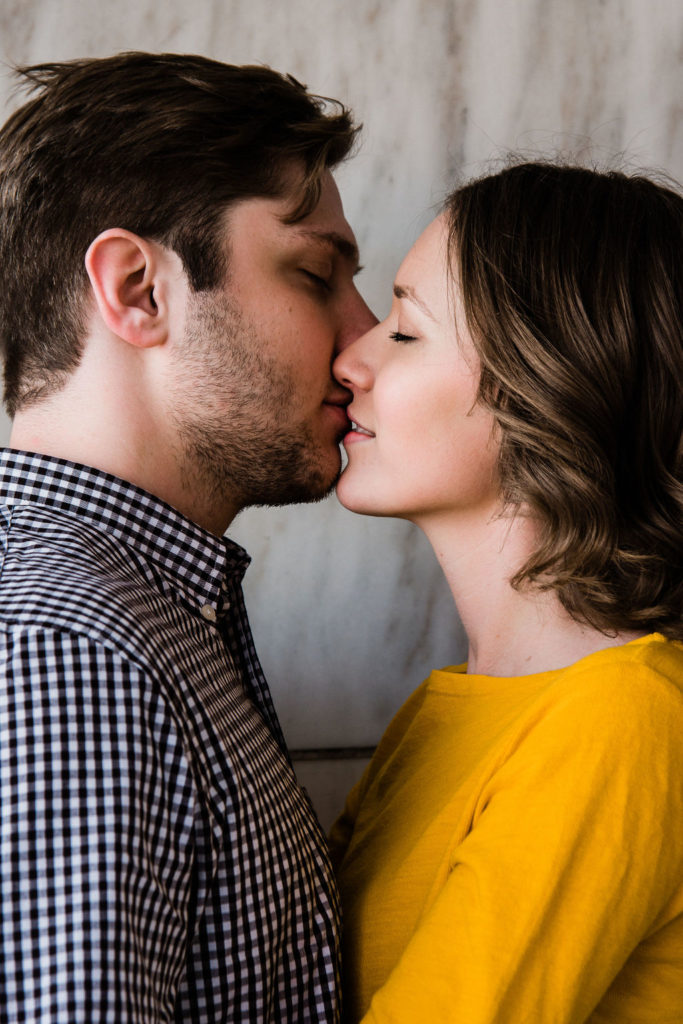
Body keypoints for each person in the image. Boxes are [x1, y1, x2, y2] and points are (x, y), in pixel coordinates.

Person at [0, 52, 375, 1022]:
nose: (365, 338)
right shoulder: (73, 655)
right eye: (317, 273)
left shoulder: (143, 618)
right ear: (138, 288)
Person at [330, 161, 683, 1022]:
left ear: (552, 388)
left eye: (405, 332)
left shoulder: (625, 720)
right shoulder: (443, 709)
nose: (350, 359)